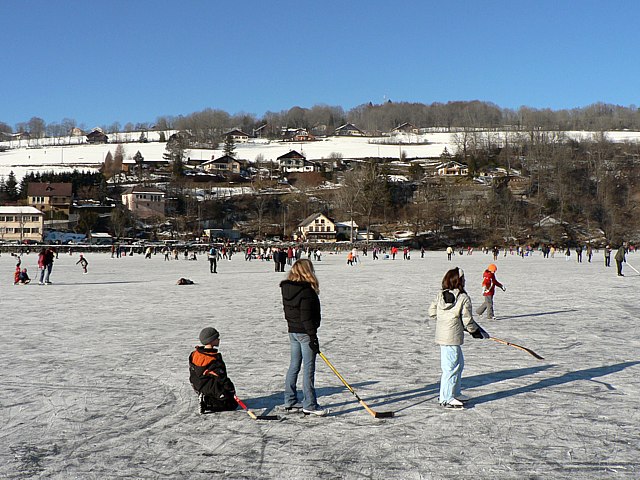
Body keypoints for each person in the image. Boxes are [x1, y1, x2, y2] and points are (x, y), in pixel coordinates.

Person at [429, 267, 488, 409]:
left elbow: (432, 312)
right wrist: (474, 331)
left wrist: (446, 320)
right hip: (452, 337)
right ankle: (446, 398)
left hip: (444, 336)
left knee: (458, 365)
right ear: (458, 281)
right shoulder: (463, 298)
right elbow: (467, 320)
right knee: (450, 368)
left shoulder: (440, 295)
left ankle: (455, 392)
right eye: (463, 278)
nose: (465, 281)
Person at [280, 259, 327, 416]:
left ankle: (290, 400)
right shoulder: (306, 291)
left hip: (293, 331)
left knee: (294, 365)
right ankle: (310, 404)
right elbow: (306, 317)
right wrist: (313, 337)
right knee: (308, 368)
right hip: (304, 333)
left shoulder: (287, 289)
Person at [189, 327, 238, 413]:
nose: (219, 340)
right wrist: (230, 389)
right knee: (232, 404)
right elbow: (221, 377)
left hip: (197, 384)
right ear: (211, 340)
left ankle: (206, 396)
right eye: (216, 338)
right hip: (209, 386)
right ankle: (206, 401)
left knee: (227, 397)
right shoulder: (213, 359)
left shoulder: (195, 354)